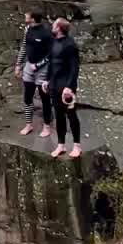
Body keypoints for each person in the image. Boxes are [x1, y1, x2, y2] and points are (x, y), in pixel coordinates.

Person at [45, 17, 82, 159]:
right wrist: (46, 81)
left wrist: (70, 87)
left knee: (71, 115)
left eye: (54, 25)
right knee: (59, 115)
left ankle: (77, 146)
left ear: (59, 28)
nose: (52, 27)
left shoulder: (70, 45)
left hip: (65, 86)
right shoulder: (54, 43)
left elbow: (74, 68)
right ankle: (61, 145)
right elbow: (51, 63)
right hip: (54, 85)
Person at [15, 9, 54, 139]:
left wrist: (38, 65)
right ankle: (28, 124)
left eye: (27, 15)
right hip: (28, 67)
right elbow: (24, 47)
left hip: (42, 69)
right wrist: (18, 65)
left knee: (44, 99)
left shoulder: (46, 33)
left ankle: (47, 126)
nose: (25, 16)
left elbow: (51, 54)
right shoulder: (27, 30)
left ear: (33, 18)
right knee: (27, 97)